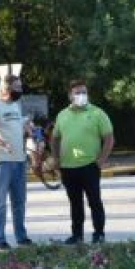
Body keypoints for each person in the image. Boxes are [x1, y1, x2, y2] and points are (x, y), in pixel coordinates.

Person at [50, 79, 113, 244]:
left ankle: (99, 233)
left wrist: (101, 160)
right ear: (70, 95)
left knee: (94, 201)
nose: (81, 95)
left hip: (90, 166)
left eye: (84, 92)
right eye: (77, 93)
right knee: (75, 203)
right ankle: (77, 235)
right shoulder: (63, 115)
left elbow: (109, 138)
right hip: (68, 167)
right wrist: (56, 158)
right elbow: (55, 138)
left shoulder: (98, 113)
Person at [0, 71, 33, 249]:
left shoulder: (15, 106)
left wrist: (26, 125)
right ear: (6, 88)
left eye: (20, 87)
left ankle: (21, 236)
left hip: (19, 159)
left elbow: (15, 125)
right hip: (1, 161)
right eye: (16, 87)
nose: (20, 90)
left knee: (19, 201)